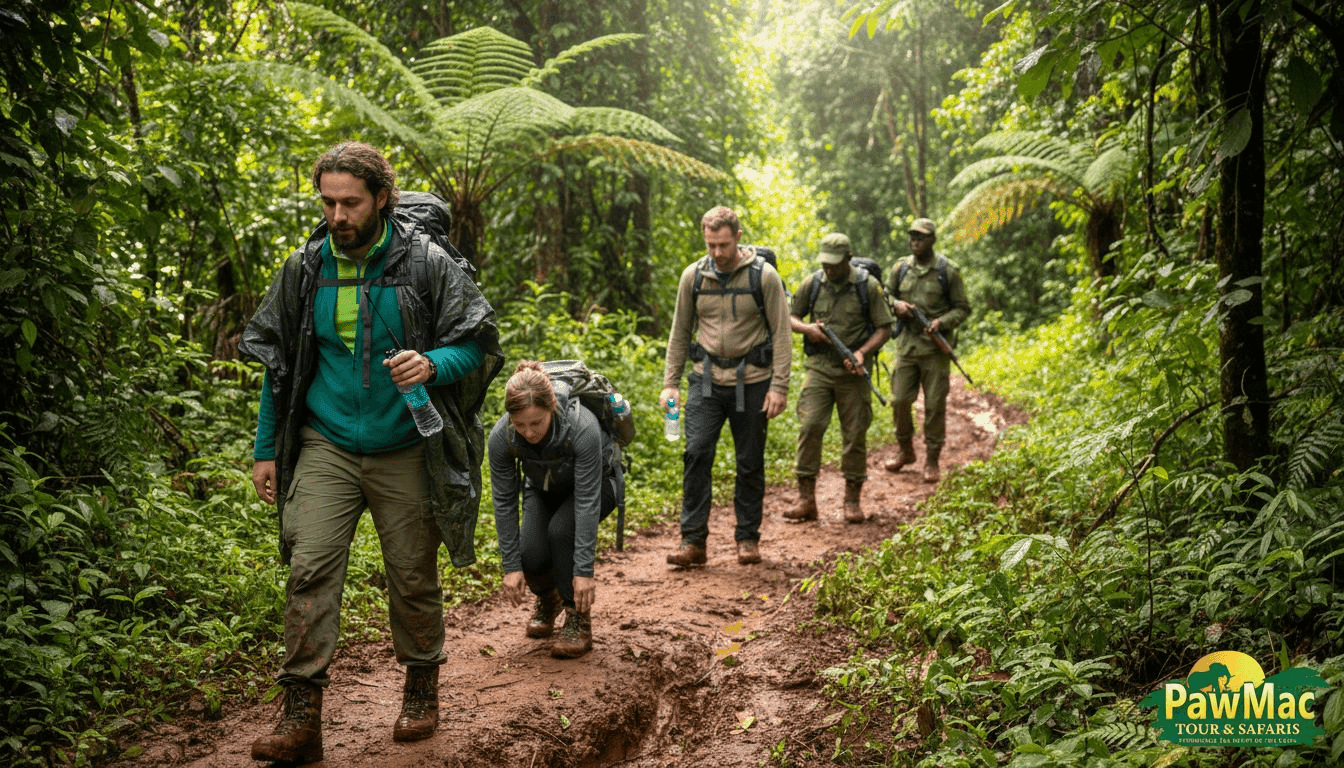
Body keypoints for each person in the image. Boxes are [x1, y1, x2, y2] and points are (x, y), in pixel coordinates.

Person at [238, 142, 503, 763]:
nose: (336, 215)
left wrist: (432, 363)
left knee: (411, 574)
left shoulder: (428, 264)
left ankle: (420, 687)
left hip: (405, 445)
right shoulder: (305, 269)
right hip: (325, 442)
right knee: (310, 569)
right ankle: (301, 717)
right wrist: (264, 448)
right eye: (327, 202)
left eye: (350, 202)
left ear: (382, 199)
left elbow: (477, 345)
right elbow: (281, 367)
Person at [661, 205, 791, 567]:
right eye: (710, 246)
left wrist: (779, 387)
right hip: (705, 381)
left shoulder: (763, 278)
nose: (717, 253)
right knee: (697, 454)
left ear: (737, 237)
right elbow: (679, 332)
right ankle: (693, 542)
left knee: (749, 461)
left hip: (752, 382)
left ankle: (747, 538)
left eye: (722, 245)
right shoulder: (694, 276)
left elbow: (782, 335)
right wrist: (670, 383)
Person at [487, 361, 623, 659]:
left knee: (561, 532)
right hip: (544, 485)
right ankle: (549, 599)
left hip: (598, 484)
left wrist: (584, 572)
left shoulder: (581, 425)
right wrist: (511, 567)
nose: (529, 432)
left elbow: (587, 500)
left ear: (552, 408)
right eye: (520, 424)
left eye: (536, 422)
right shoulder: (501, 437)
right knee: (531, 554)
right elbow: (504, 501)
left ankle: (577, 618)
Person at [786, 233, 893, 523]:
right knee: (810, 425)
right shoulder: (813, 283)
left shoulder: (867, 287)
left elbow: (885, 328)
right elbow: (791, 317)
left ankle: (851, 500)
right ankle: (806, 500)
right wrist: (808, 330)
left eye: (835, 264)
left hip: (854, 373)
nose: (830, 270)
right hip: (820, 368)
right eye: (825, 264)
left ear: (848, 258)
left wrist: (862, 353)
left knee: (855, 433)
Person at [883, 217, 971, 483]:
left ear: (932, 240)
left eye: (920, 237)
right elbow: (883, 295)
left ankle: (932, 459)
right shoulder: (900, 268)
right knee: (899, 400)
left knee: (934, 406)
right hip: (907, 347)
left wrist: (941, 322)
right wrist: (896, 305)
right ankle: (905, 450)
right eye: (912, 237)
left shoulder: (947, 271)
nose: (915, 241)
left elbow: (963, 308)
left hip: (934, 350)